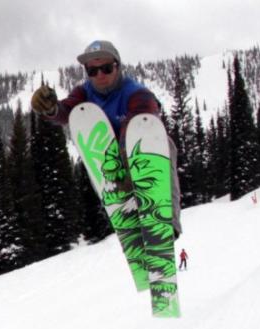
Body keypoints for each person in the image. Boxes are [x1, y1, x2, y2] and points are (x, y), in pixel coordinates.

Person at [30, 40, 182, 238]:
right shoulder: (84, 92)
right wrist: (51, 109)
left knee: (164, 144)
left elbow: (143, 123)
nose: (100, 75)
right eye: (93, 71)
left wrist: (126, 162)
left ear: (117, 66)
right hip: (111, 163)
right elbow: (67, 111)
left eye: (106, 68)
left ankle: (165, 220)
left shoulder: (137, 93)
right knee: (95, 156)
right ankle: (123, 212)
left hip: (137, 157)